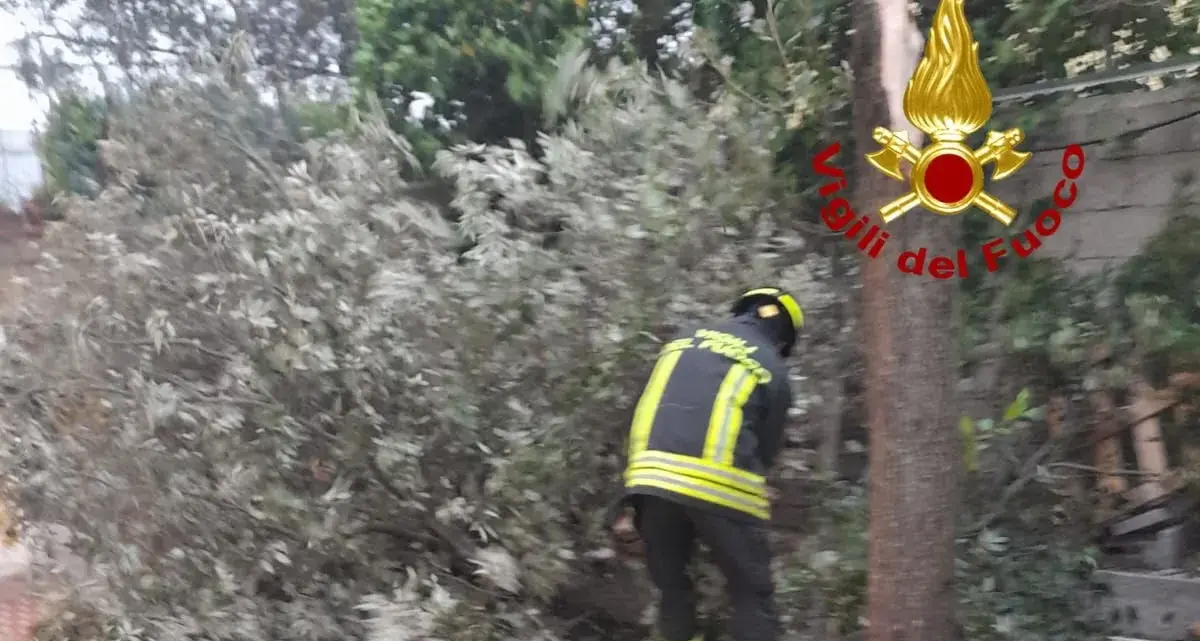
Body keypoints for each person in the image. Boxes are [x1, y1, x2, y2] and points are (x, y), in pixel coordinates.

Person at [616, 287, 800, 641]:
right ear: (783, 338)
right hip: (722, 486)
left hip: (651, 481)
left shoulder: (682, 341)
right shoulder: (771, 364)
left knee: (673, 591)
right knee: (751, 594)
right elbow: (765, 449)